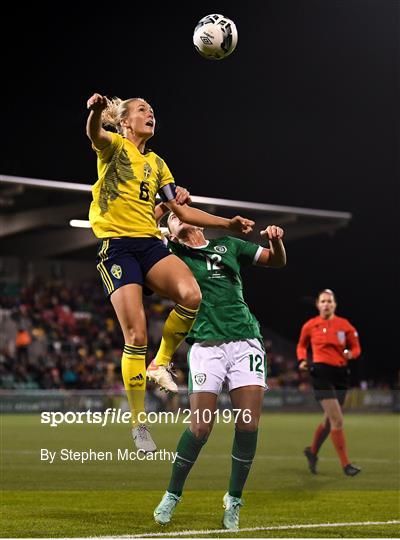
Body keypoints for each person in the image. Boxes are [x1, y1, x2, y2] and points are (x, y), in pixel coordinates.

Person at [86, 93, 254, 452]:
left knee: (192, 294)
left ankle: (160, 365)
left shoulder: (159, 164)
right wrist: (98, 110)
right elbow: (94, 135)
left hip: (149, 244)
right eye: (143, 110)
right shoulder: (114, 145)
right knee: (136, 333)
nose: (151, 114)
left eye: (153, 111)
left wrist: (230, 223)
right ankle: (138, 423)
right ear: (126, 121)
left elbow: (183, 211)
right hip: (117, 246)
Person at [152, 210, 286, 530]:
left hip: (245, 341)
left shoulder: (230, 244)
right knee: (200, 429)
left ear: (199, 220)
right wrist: (159, 218)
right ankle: (172, 494)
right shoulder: (172, 255)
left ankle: (234, 499)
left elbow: (276, 261)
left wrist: (276, 242)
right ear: (168, 231)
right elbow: (142, 236)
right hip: (205, 346)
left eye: (181, 213)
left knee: (248, 425)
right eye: (171, 218)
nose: (178, 217)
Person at [296, 289, 362, 476]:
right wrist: (302, 360)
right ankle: (346, 465)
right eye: (323, 301)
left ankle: (312, 452)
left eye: (329, 301)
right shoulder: (310, 325)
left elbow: (356, 347)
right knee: (337, 419)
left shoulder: (344, 325)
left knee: (328, 421)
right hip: (320, 373)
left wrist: (352, 353)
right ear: (318, 304)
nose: (326, 304)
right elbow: (301, 345)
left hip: (341, 374)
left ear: (335, 304)